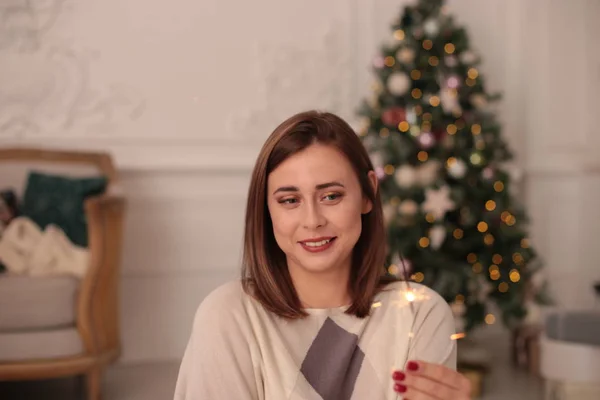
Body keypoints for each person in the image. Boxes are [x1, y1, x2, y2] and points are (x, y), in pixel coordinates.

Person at [174, 110, 471, 400]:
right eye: (290, 200)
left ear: (368, 193)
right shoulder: (227, 316)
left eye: (331, 196)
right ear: (267, 210)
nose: (312, 220)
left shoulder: (420, 314)